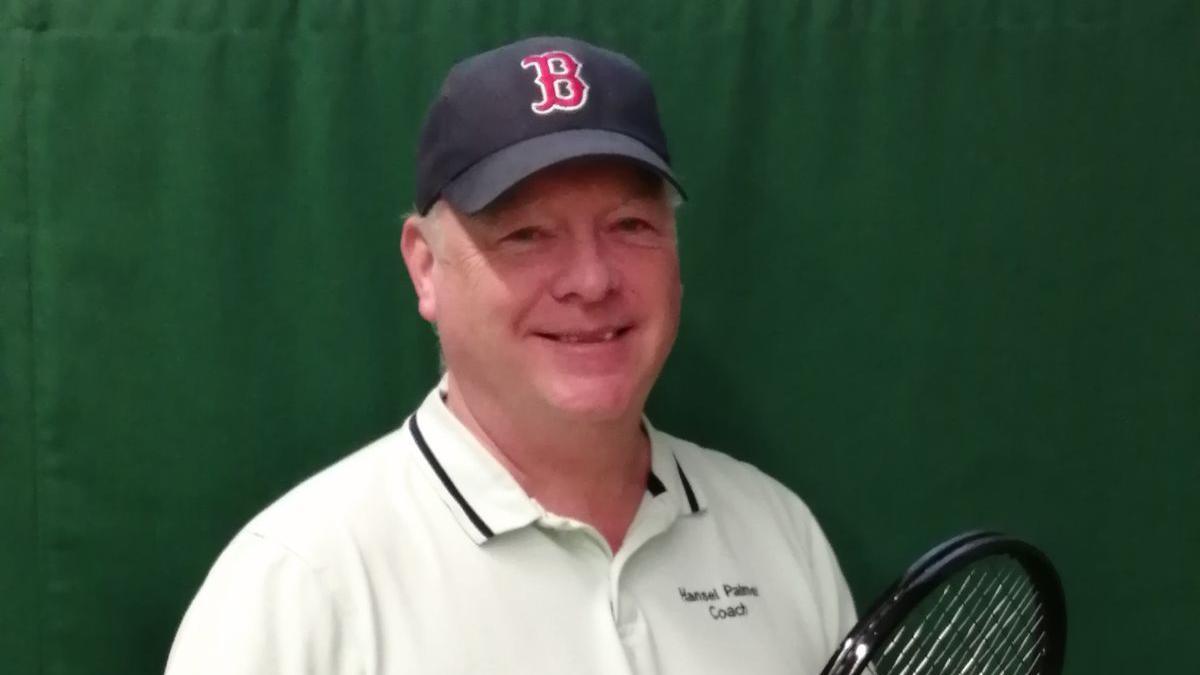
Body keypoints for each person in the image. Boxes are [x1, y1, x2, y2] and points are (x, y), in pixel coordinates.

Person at [165, 36, 855, 675]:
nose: (591, 279)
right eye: (526, 235)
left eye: (630, 225)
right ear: (425, 267)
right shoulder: (299, 586)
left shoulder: (778, 534)